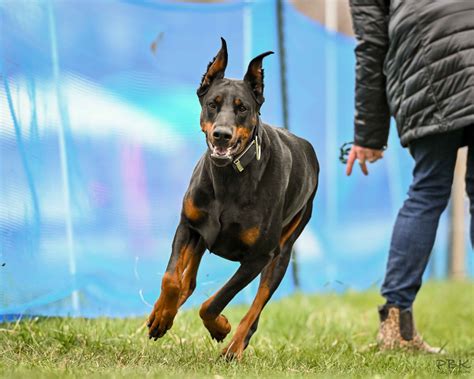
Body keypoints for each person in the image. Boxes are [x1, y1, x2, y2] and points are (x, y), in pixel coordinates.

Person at [347, 0, 474, 352]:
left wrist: (367, 136)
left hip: (426, 58)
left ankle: (396, 326)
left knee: (428, 190)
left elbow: (372, 45)